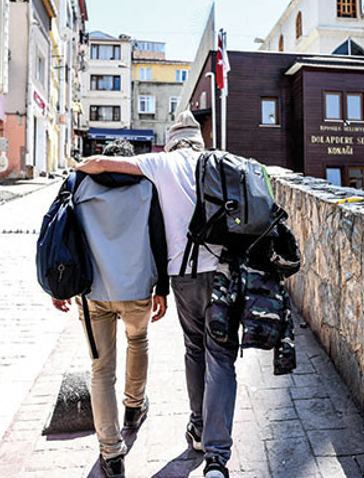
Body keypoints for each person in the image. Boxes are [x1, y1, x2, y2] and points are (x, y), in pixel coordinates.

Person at [75, 112, 234, 478]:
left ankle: (178, 433)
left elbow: (96, 171)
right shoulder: (208, 165)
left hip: (168, 279)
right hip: (212, 276)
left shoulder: (158, 164)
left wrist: (78, 166)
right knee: (217, 356)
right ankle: (212, 454)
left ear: (173, 139)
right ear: (198, 139)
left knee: (190, 350)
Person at [53, 139, 169, 478]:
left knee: (101, 370)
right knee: (139, 341)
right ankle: (134, 407)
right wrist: (162, 288)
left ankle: (112, 453)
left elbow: (59, 233)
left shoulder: (77, 183)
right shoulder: (147, 185)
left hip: (93, 291)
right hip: (136, 289)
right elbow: (159, 237)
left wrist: (58, 286)